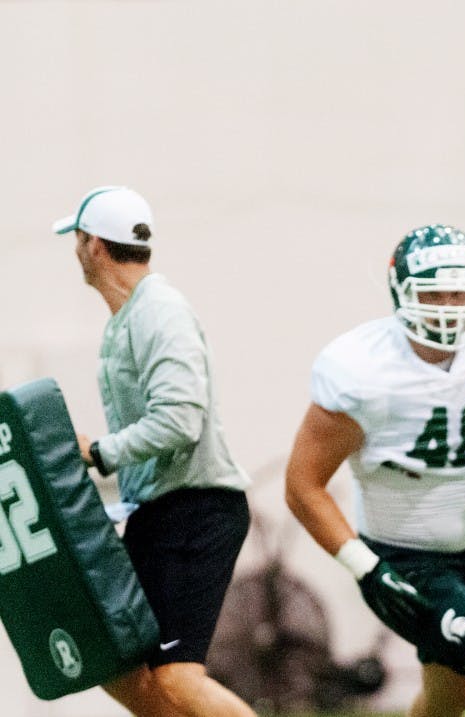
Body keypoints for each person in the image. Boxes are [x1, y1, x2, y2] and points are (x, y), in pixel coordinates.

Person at [285, 223, 465, 717]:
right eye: (433, 291)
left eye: (460, 291)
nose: (447, 304)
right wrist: (366, 567)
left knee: (452, 697)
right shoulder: (363, 371)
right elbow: (302, 486)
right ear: (400, 291)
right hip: (403, 560)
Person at [53, 186, 256, 717]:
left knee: (178, 678)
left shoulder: (159, 310)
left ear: (92, 244)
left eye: (75, 240)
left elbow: (179, 419)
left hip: (197, 510)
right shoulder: (129, 318)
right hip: (162, 510)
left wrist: (98, 452)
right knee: (120, 668)